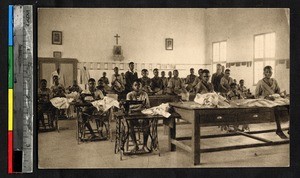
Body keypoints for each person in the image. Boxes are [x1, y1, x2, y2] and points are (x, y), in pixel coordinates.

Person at [255, 66, 288, 139]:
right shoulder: (260, 82)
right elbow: (256, 95)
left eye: (270, 71)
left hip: (274, 98)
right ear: (264, 73)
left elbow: (278, 91)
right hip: (265, 100)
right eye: (267, 72)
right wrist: (265, 97)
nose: (269, 73)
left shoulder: (274, 81)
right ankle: (279, 130)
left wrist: (280, 95)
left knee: (289, 104)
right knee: (276, 108)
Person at [126, 79, 151, 152]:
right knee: (129, 126)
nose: (137, 87)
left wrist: (135, 107)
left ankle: (145, 145)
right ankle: (135, 145)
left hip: (143, 115)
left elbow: (147, 106)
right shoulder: (129, 95)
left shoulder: (145, 94)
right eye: (135, 85)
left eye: (139, 85)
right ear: (132, 86)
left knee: (147, 125)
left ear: (141, 86)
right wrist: (140, 107)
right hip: (132, 117)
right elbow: (128, 107)